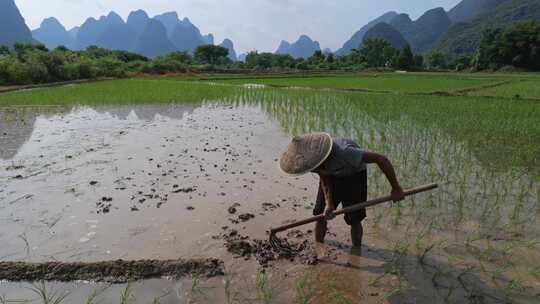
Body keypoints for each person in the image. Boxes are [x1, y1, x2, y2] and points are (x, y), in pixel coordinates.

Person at [279, 132, 405, 250]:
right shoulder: (314, 161)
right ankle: (318, 247)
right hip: (332, 175)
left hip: (354, 175)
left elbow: (381, 159)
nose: (315, 169)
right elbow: (324, 176)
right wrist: (329, 203)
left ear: (324, 159)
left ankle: (356, 251)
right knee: (320, 214)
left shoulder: (345, 152)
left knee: (354, 218)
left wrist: (396, 188)